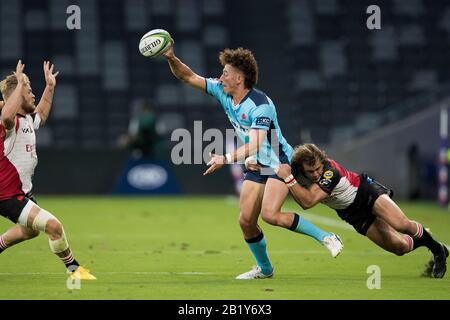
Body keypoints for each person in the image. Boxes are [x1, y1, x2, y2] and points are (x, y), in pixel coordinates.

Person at [162, 42, 343, 279]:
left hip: (279, 162)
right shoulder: (221, 90)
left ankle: (327, 237)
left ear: (239, 78)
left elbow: (256, 144)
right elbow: (187, 76)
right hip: (257, 164)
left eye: (225, 73)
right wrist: (170, 56)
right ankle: (265, 269)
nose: (220, 77)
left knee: (270, 215)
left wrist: (225, 158)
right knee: (246, 221)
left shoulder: (261, 106)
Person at [271, 143, 448, 278]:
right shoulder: (296, 171)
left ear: (322, 161)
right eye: (311, 171)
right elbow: (275, 168)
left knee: (401, 224)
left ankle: (437, 251)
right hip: (351, 213)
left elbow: (307, 202)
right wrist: (260, 167)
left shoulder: (329, 171)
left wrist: (287, 178)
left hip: (365, 192)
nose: (316, 174)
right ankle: (426, 239)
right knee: (399, 248)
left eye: (318, 168)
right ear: (302, 169)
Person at [0, 60, 96, 280]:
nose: (33, 94)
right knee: (54, 226)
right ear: (17, 95)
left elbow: (41, 115)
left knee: (29, 230)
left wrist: (50, 87)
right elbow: (6, 115)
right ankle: (75, 271)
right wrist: (18, 83)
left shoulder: (25, 119)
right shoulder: (9, 122)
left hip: (20, 192)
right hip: (6, 194)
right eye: (29, 90)